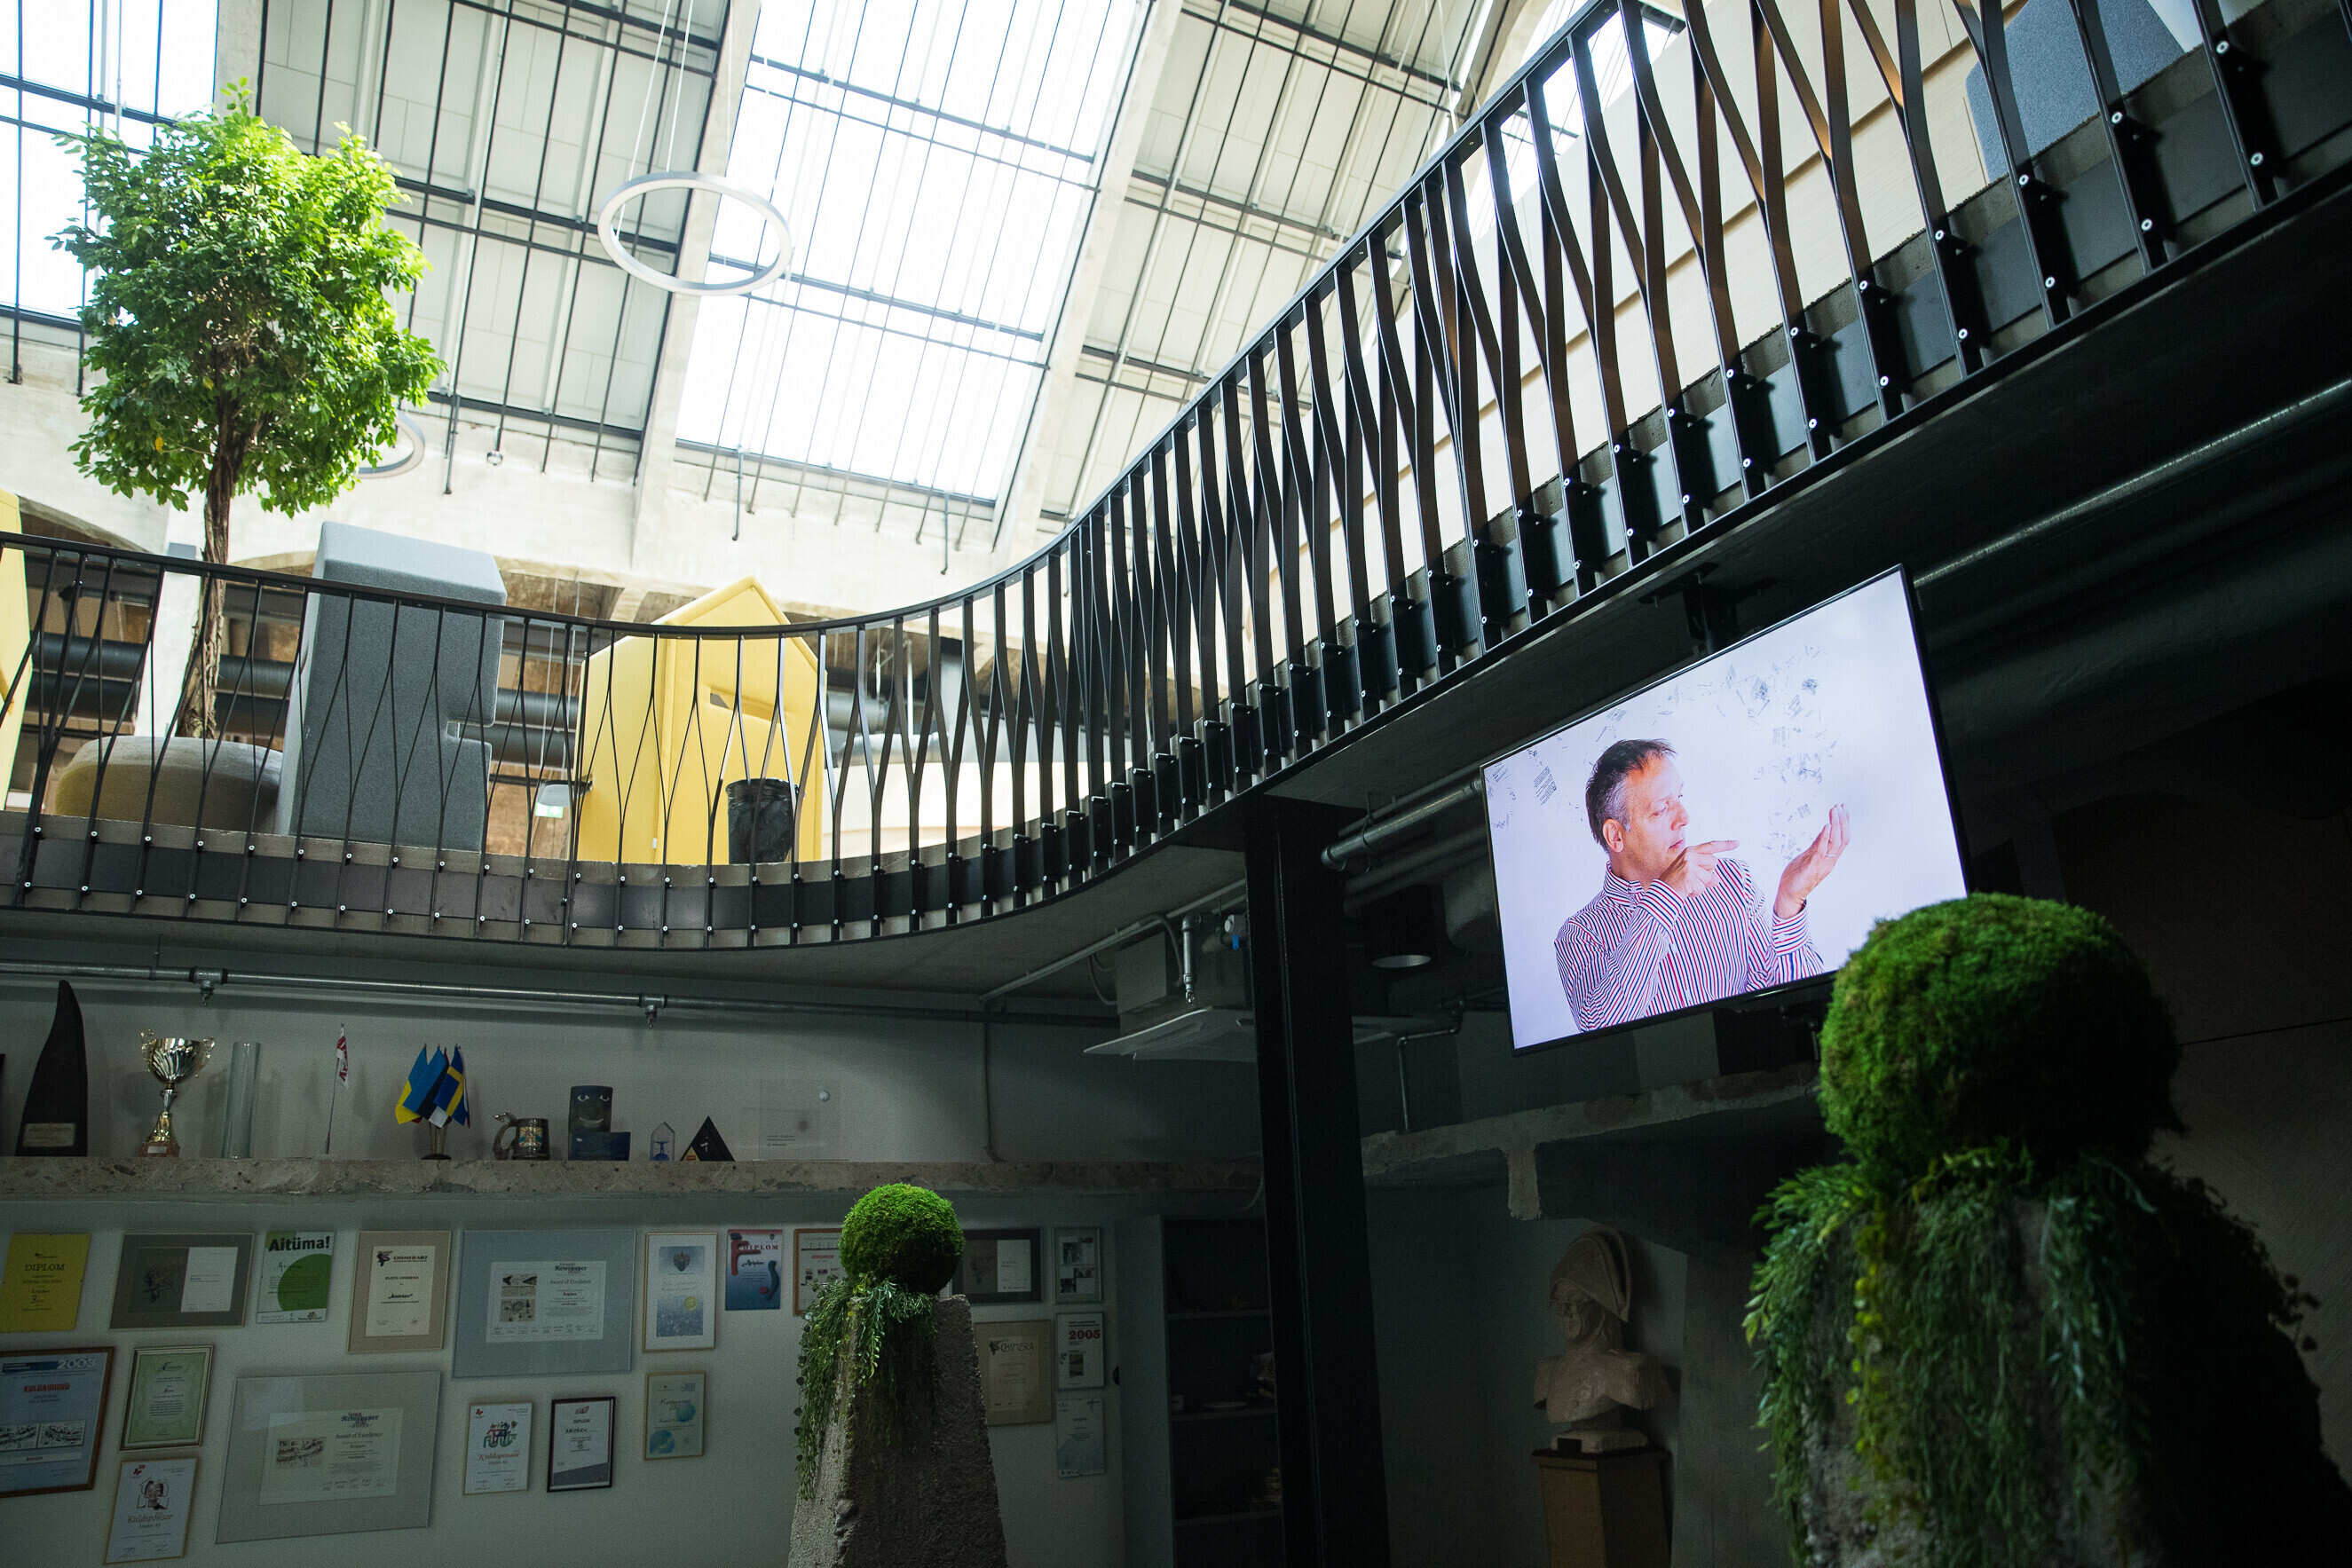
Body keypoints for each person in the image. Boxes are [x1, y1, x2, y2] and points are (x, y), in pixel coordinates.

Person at [1555, 739, 1848, 1031]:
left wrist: (1789, 904)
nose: (1684, 818)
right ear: (1616, 836)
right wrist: (1665, 897)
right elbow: (1603, 1030)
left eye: (1679, 797)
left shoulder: (1733, 881)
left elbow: (1791, 1008)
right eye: (1661, 810)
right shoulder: (1580, 935)